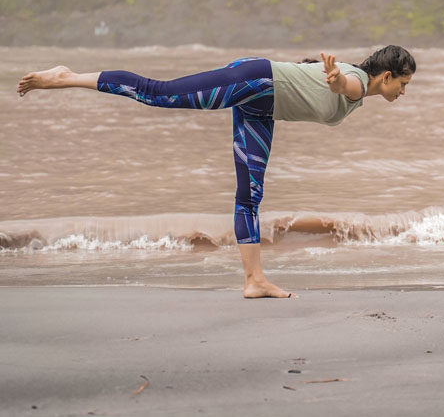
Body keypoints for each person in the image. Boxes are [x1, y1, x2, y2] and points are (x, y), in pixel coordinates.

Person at [17, 45, 416, 299]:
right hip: (256, 80)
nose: (403, 91)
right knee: (160, 93)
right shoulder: (359, 85)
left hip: (263, 104)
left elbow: (337, 85)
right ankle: (67, 77)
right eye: (404, 83)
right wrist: (335, 79)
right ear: (386, 76)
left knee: (250, 195)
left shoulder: (359, 85)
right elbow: (343, 86)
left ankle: (253, 280)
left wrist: (333, 78)